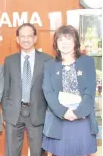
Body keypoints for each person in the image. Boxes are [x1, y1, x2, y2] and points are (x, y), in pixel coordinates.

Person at [42, 25, 98, 156]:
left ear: (76, 41)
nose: (65, 43)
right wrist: (64, 112)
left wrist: (77, 113)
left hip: (82, 120)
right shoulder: (49, 65)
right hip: (59, 119)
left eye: (68, 38)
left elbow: (90, 91)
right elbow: (48, 92)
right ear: (56, 43)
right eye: (60, 39)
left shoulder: (87, 62)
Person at [2, 23, 51, 156]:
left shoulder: (47, 60)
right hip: (14, 114)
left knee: (38, 152)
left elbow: (50, 91)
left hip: (37, 113)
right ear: (17, 39)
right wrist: (6, 112)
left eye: (29, 36)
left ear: (35, 38)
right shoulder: (9, 61)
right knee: (11, 152)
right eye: (22, 36)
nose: (26, 39)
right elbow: (5, 89)